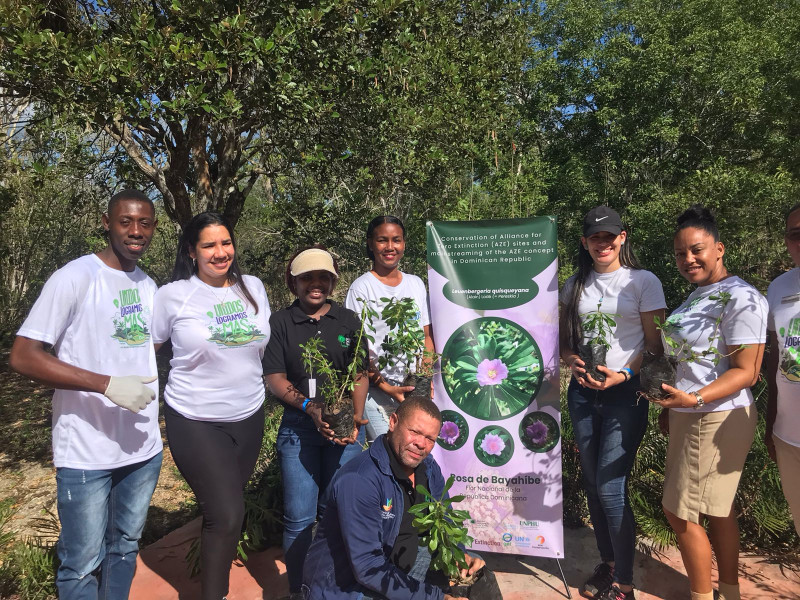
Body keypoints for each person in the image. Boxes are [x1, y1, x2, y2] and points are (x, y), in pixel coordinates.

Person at [9, 189, 163, 600]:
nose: (135, 231)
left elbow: (147, 346)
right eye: (125, 221)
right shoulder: (75, 277)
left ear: (154, 228)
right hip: (86, 450)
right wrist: (107, 384)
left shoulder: (148, 285)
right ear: (107, 223)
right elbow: (24, 355)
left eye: (144, 223)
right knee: (80, 564)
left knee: (125, 548)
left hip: (143, 448)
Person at [151, 212, 271, 600]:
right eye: (209, 245)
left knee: (225, 512)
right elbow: (144, 351)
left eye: (226, 243)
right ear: (191, 251)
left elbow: (262, 349)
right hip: (195, 420)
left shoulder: (252, 286)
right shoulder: (172, 295)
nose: (221, 253)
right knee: (227, 515)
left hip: (250, 416)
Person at [649, 205, 766, 600]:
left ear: (720, 248)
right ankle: (728, 593)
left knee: (679, 512)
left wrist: (693, 399)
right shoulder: (699, 296)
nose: (688, 260)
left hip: (714, 416)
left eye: (696, 250)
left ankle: (703, 596)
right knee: (717, 509)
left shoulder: (741, 297)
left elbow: (746, 371)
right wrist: (676, 408)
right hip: (691, 413)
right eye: (681, 254)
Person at [559, 206, 666, 600]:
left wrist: (623, 375)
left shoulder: (643, 282)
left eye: (610, 236)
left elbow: (655, 345)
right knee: (591, 482)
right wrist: (573, 365)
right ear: (585, 243)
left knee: (610, 486)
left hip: (627, 392)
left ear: (623, 237)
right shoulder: (574, 285)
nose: (602, 243)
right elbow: (565, 343)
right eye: (594, 237)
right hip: (583, 392)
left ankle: (625, 583)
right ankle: (607, 565)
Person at [262, 246, 367, 599]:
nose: (316, 284)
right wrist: (309, 407)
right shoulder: (281, 322)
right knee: (299, 517)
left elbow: (360, 373)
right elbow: (275, 377)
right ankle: (299, 589)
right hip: (299, 430)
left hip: (345, 431)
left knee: (336, 512)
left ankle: (331, 584)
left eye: (323, 277)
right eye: (307, 277)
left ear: (333, 282)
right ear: (294, 282)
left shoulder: (349, 320)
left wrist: (355, 415)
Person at [302, 397, 484, 600]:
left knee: (476, 566)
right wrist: (436, 598)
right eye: (414, 432)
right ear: (393, 422)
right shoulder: (360, 480)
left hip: (397, 562)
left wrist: (458, 555)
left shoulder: (429, 469)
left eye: (430, 438)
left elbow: (445, 519)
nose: (421, 444)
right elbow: (368, 567)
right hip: (349, 586)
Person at [345, 216, 434, 441]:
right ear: (370, 243)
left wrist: (424, 376)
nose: (390, 247)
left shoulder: (415, 284)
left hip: (413, 386)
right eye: (382, 240)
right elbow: (358, 352)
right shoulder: (361, 289)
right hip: (377, 390)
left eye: (397, 240)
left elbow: (425, 335)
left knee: (413, 448)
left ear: (404, 243)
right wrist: (387, 387)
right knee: (387, 450)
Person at [765, 202, 800, 537]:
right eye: (795, 234)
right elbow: (775, 359)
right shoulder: (778, 288)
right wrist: (770, 420)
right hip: (789, 437)